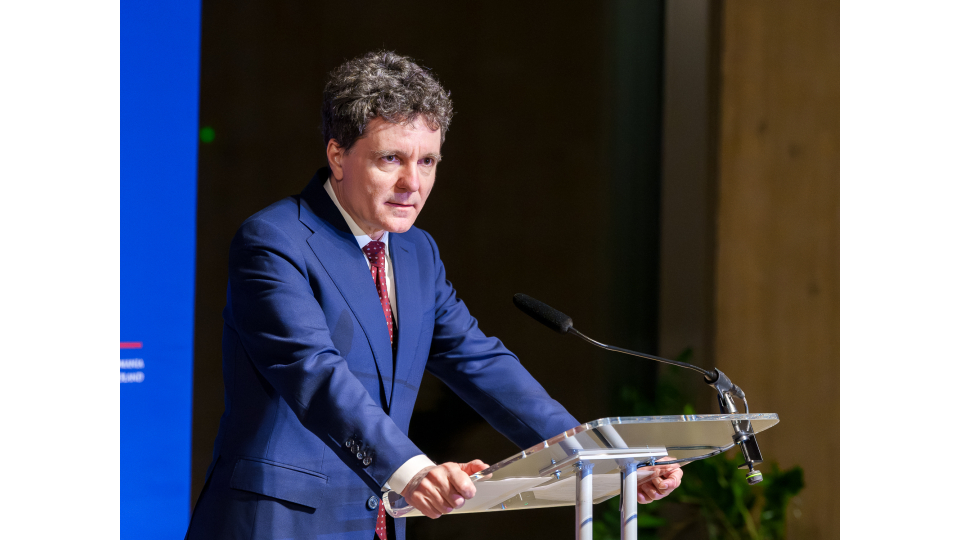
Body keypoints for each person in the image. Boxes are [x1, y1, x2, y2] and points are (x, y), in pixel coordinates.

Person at [185, 50, 682, 540]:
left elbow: (480, 362)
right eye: (391, 159)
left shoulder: (416, 252)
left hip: (378, 521)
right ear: (337, 155)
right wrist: (413, 469)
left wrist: (600, 458)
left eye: (427, 161)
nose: (413, 183)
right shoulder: (275, 240)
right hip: (279, 523)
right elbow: (314, 372)